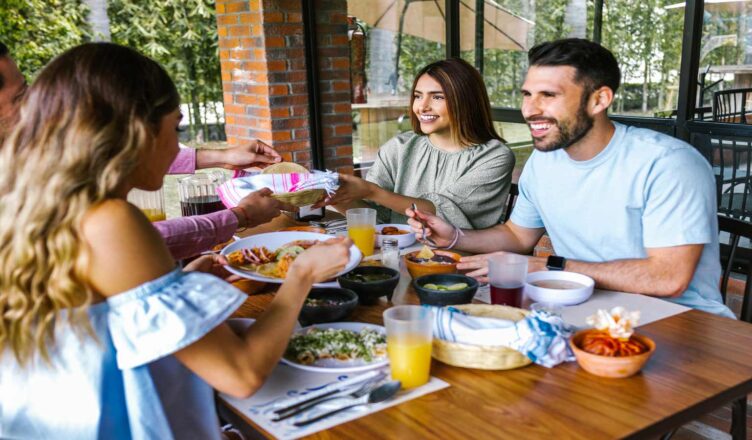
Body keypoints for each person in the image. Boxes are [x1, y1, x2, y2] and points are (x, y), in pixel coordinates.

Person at [0, 42, 353, 439]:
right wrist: (302, 274)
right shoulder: (109, 221)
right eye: (176, 129)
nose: (177, 147)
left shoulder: (38, 206)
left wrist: (179, 292)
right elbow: (241, 374)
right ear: (137, 132)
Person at [407, 38, 734, 318]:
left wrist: (552, 267)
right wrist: (454, 238)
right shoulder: (544, 161)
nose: (530, 109)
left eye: (548, 95)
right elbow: (517, 236)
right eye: (526, 94)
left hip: (682, 323)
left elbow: (667, 278)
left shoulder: (668, 163)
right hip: (585, 308)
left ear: (599, 100)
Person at [0, 41, 289, 260]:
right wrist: (240, 217)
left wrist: (223, 157)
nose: (31, 109)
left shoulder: (24, 161)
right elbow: (134, 242)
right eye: (21, 96)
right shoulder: (111, 221)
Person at [319, 58, 514, 229]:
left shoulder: (494, 157)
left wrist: (371, 191)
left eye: (437, 97)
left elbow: (444, 216)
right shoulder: (399, 147)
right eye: (418, 96)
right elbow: (377, 217)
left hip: (459, 261)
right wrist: (332, 197)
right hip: (400, 254)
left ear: (466, 101)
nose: (422, 106)